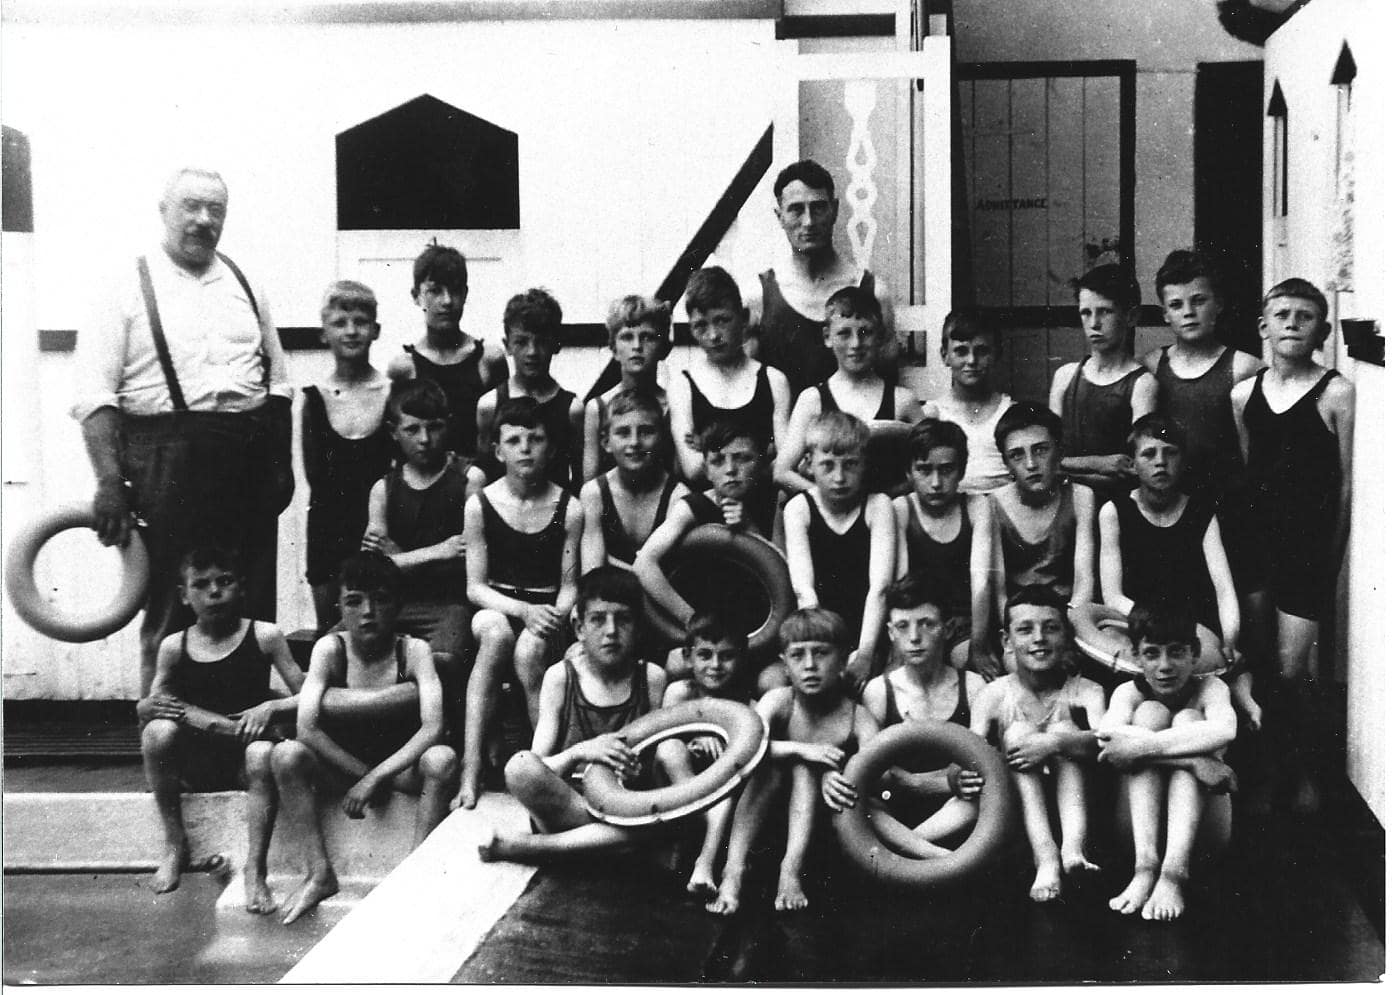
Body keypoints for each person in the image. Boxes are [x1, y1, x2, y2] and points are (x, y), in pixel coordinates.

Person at [74, 167, 294, 694]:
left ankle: (244, 743)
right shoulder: (123, 284)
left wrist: (281, 465)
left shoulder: (245, 282)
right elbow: (95, 396)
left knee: (249, 608)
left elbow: (279, 383)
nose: (203, 220)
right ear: (163, 211)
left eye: (215, 209)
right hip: (165, 464)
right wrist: (108, 481)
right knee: (173, 608)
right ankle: (165, 744)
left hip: (245, 460)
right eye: (191, 207)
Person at [263, 552, 458, 924]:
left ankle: (416, 873)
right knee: (286, 756)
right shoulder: (331, 649)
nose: (368, 612)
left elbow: (432, 727)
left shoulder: (413, 651)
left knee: (443, 759)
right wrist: (360, 775)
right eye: (355, 602)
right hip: (342, 766)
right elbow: (307, 728)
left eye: (380, 600)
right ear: (340, 606)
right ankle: (319, 873)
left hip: (396, 767)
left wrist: (374, 778)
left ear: (398, 605)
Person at [1231, 278, 1355, 812]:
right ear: (1263, 326)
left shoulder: (1335, 393)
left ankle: (1302, 772)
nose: (1291, 324)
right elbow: (1247, 467)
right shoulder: (1244, 393)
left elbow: (1347, 483)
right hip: (1257, 545)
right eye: (1281, 314)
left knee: (1292, 669)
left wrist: (1335, 554)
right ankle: (1266, 772)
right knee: (1258, 660)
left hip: (1307, 551)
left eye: (1305, 316)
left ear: (1321, 330)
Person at [137, 547, 303, 895]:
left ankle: (255, 869)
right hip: (196, 762)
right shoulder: (174, 645)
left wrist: (270, 708)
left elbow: (310, 696)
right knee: (158, 732)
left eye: (224, 582)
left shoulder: (264, 635)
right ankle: (175, 843)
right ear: (184, 595)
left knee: (261, 752)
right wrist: (164, 711)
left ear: (241, 587)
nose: (214, 592)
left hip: (245, 759)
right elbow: (152, 707)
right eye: (201, 585)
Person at [478, 567, 667, 864]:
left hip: (624, 805)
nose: (611, 631)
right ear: (579, 628)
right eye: (598, 619)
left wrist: (638, 772)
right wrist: (581, 751)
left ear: (639, 627)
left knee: (646, 821)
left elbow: (656, 769)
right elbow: (541, 764)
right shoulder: (561, 678)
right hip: (565, 804)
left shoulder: (651, 678)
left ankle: (537, 848)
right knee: (519, 767)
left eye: (623, 619)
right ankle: (603, 841)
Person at [708, 608, 880, 916]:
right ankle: (732, 871)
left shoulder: (856, 715)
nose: (810, 666)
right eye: (798, 655)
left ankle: (790, 870)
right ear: (785, 665)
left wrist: (832, 771)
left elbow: (878, 770)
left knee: (804, 771)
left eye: (821, 654)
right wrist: (803, 749)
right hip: (762, 808)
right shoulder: (778, 701)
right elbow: (744, 747)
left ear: (843, 660)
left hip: (821, 825)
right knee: (776, 765)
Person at [456, 397, 583, 809]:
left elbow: (569, 585)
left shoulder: (569, 506)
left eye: (536, 439)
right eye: (514, 440)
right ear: (498, 451)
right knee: (494, 636)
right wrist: (523, 611)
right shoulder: (481, 505)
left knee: (530, 651)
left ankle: (541, 766)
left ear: (550, 447)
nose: (525, 448)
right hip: (497, 606)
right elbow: (475, 587)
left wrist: (554, 616)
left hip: (546, 611)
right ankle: (471, 768)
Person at [1097, 414, 1259, 729]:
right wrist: (1155, 622)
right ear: (1133, 464)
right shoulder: (1115, 511)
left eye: (1170, 453)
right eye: (1149, 454)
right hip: (1139, 624)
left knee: (1232, 669)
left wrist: (1230, 637)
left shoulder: (1201, 512)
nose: (1161, 462)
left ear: (1182, 460)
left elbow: (1223, 587)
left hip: (1193, 628)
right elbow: (1112, 594)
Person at [1096, 601, 1238, 921]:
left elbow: (1226, 729)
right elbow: (1109, 738)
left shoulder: (1211, 688)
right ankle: (1145, 868)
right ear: (1135, 655)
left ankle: (1174, 872)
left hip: (1204, 834)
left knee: (1188, 719)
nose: (1164, 666)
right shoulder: (1126, 693)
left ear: (1195, 652)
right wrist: (1193, 761)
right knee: (1150, 713)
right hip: (1136, 834)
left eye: (1176, 652)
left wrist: (1146, 748)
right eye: (1151, 653)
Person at [971, 585, 1106, 902]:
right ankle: (1045, 858)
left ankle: (1073, 848)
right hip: (1018, 808)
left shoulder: (1087, 691)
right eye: (1025, 630)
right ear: (1007, 641)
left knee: (1062, 728)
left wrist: (1053, 744)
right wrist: (960, 776)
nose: (1039, 638)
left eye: (1051, 628)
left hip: (1078, 802)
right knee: (1018, 733)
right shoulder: (992, 695)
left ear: (1068, 636)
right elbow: (970, 754)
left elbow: (1106, 744)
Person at [361, 379, 483, 699]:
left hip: (449, 604)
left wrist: (400, 558)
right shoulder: (383, 490)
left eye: (435, 427)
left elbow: (469, 556)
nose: (425, 439)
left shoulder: (468, 480)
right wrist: (438, 552)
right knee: (339, 646)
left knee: (441, 661)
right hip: (396, 603)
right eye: (412, 430)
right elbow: (374, 569)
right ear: (393, 432)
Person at [860, 575, 988, 853]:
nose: (914, 637)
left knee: (984, 795)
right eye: (903, 627)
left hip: (955, 811)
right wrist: (929, 784)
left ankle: (907, 849)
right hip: (896, 807)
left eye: (927, 624)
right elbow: (876, 772)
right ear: (891, 633)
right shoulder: (879, 691)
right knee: (864, 804)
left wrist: (918, 783)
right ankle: (926, 852)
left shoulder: (974, 687)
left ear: (947, 628)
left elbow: (981, 767)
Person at [749, 159, 893, 397]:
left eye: (818, 207)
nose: (809, 221)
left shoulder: (872, 292)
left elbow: (887, 392)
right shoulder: (758, 296)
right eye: (796, 209)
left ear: (834, 209)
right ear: (779, 216)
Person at [302, 280, 395, 633]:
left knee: (378, 632)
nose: (352, 331)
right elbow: (314, 477)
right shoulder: (311, 399)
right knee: (330, 633)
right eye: (340, 323)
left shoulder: (391, 392)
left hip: (376, 532)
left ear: (376, 330)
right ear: (323, 333)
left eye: (360, 321)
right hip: (328, 532)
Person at [774, 286, 922, 498]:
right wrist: (832, 499)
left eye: (865, 333)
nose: (856, 344)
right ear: (827, 337)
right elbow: (782, 472)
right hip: (832, 520)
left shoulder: (902, 400)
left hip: (889, 516)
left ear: (879, 336)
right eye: (844, 333)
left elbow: (931, 460)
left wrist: (885, 499)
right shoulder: (813, 400)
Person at [782, 411, 895, 687]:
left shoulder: (878, 505)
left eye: (850, 465)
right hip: (817, 630)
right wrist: (825, 654)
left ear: (864, 464)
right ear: (808, 465)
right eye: (828, 465)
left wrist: (865, 653)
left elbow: (880, 587)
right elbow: (803, 589)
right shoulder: (799, 509)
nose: (840, 477)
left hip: (869, 628)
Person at [634, 419, 774, 635]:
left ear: (762, 462)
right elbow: (644, 563)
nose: (730, 470)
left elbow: (781, 576)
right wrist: (691, 619)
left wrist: (749, 527)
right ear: (706, 470)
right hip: (703, 619)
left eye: (743, 459)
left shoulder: (775, 502)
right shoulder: (693, 506)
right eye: (718, 461)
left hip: (758, 621)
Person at [653, 612, 755, 897]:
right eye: (705, 655)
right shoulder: (680, 692)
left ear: (741, 658)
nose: (715, 665)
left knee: (728, 776)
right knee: (670, 748)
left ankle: (704, 863)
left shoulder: (747, 703)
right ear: (688, 657)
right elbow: (664, 734)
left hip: (723, 796)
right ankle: (687, 842)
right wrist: (698, 734)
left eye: (726, 656)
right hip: (678, 792)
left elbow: (749, 748)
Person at [668, 267, 790, 495]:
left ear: (743, 319)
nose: (713, 335)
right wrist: (759, 456)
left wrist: (712, 453)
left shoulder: (773, 380)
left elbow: (785, 462)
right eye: (701, 325)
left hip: (763, 503)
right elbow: (692, 468)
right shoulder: (683, 384)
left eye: (722, 320)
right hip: (705, 509)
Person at [893, 418, 995, 675]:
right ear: (908, 472)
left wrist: (979, 648)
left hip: (964, 624)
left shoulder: (976, 506)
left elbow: (981, 582)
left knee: (974, 674)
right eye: (925, 470)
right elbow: (899, 584)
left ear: (961, 471)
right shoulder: (901, 509)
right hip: (917, 623)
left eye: (946, 470)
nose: (936, 482)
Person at [386, 243, 508, 459]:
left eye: (455, 290)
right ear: (416, 296)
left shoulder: (489, 359)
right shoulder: (404, 367)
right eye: (435, 291)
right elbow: (398, 442)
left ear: (465, 293)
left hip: (478, 482)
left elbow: (506, 432)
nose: (447, 301)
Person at [1049, 264, 1158, 494]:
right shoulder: (1066, 376)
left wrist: (1068, 470)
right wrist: (1101, 463)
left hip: (1119, 506)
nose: (1094, 323)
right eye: (1086, 313)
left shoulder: (1142, 384)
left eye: (1105, 311)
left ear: (1131, 317)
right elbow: (1048, 457)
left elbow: (1134, 468)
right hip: (1067, 505)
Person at [987, 403, 1096, 623]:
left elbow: (1084, 580)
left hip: (1068, 614)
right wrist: (1012, 631)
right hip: (1016, 619)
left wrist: (1069, 625)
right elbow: (997, 591)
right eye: (1017, 455)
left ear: (1059, 452)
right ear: (1006, 464)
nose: (1030, 464)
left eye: (1040, 450)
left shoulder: (1080, 497)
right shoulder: (993, 504)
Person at [475, 288, 583, 492]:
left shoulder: (572, 409)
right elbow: (484, 473)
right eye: (522, 342)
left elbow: (579, 478)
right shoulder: (490, 405)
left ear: (556, 344)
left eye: (541, 342)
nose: (532, 352)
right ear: (507, 345)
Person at [579, 389, 688, 574]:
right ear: (606, 442)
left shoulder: (677, 497)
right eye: (623, 432)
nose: (635, 442)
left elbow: (673, 574)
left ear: (662, 439)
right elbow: (592, 575)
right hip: (610, 596)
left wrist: (613, 562)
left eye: (646, 432)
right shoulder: (594, 493)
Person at [582, 295, 673, 482]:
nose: (637, 346)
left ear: (662, 348)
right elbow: (590, 480)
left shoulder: (673, 404)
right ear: (614, 349)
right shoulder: (598, 408)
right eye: (627, 337)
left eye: (647, 337)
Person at [934, 310, 1015, 494]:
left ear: (997, 354)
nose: (971, 361)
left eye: (982, 351)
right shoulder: (933, 415)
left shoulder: (1011, 413)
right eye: (961, 351)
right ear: (945, 355)